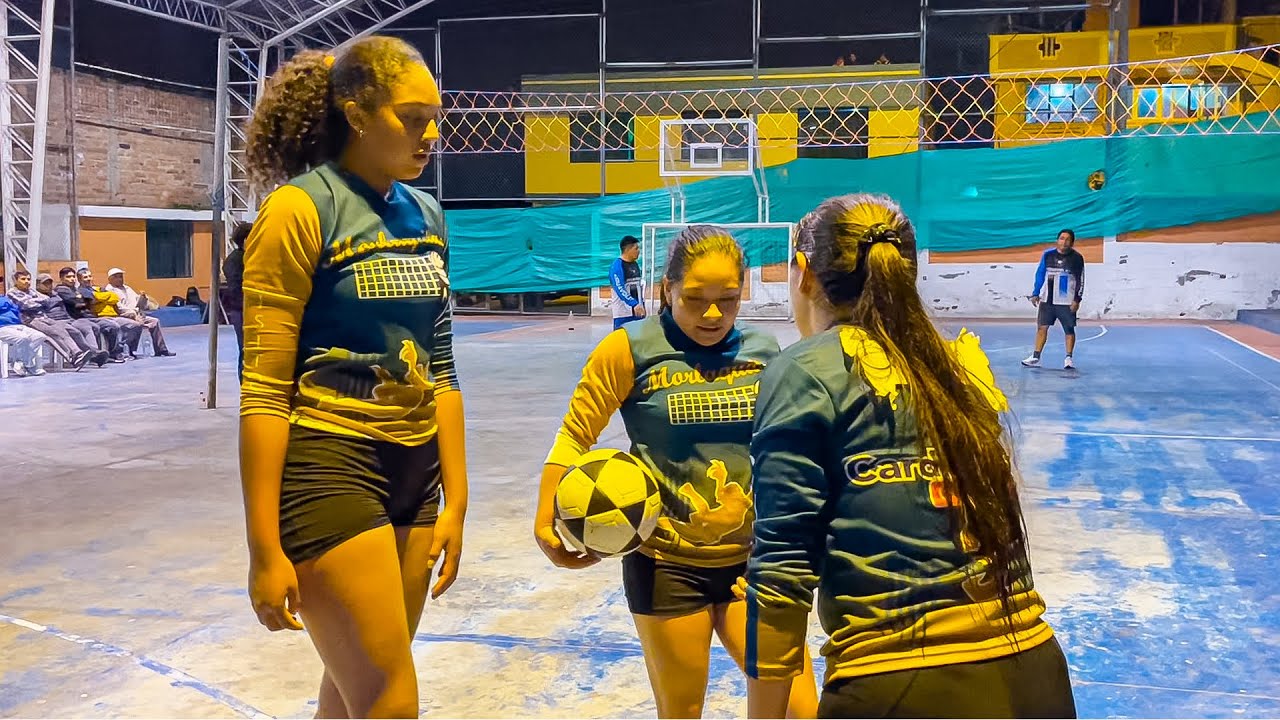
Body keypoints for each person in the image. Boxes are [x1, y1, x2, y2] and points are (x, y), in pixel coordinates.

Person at [742, 194, 1075, 719]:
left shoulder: (807, 370)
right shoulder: (956, 361)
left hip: (900, 682)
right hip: (1036, 671)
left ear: (802, 272)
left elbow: (782, 573)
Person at [238, 36, 468, 719]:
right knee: (390, 700)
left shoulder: (426, 214)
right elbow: (263, 391)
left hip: (415, 473)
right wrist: (263, 549)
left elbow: (443, 365)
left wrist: (456, 499)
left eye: (434, 117)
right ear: (357, 113)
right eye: (412, 117)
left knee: (350, 696)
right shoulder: (299, 210)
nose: (431, 134)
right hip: (329, 464)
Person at [535, 226, 818, 720]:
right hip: (667, 565)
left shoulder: (762, 349)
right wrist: (545, 518)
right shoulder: (628, 349)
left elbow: (787, 449)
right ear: (668, 289)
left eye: (727, 300)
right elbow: (574, 435)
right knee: (682, 710)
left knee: (803, 710)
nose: (713, 314)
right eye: (695, 299)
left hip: (753, 563)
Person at [6, 270, 101, 368]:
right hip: (30, 320)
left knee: (70, 330)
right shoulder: (12, 293)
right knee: (54, 332)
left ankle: (84, 353)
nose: (27, 281)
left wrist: (38, 301)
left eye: (28, 279)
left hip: (44, 317)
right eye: (23, 279)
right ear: (16, 281)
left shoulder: (31, 291)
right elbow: (27, 305)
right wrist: (40, 301)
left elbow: (47, 301)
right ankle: (74, 356)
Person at [1022, 229, 1085, 370]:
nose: (1064, 242)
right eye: (1062, 238)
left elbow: (1080, 280)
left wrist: (1077, 299)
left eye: (1068, 239)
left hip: (1066, 301)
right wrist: (1036, 292)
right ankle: (1035, 357)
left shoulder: (1077, 258)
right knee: (1042, 327)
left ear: (1072, 242)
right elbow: (1040, 274)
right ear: (1057, 240)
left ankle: (1068, 358)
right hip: (1047, 300)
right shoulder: (1048, 255)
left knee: (1069, 330)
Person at [102, 267, 176, 358]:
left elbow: (139, 304)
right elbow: (119, 308)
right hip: (122, 316)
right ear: (110, 279)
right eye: (117, 277)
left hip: (136, 314)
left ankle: (161, 350)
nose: (120, 279)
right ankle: (129, 350)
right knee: (136, 324)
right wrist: (134, 315)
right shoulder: (109, 290)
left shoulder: (127, 288)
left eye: (121, 276)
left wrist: (143, 298)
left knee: (155, 321)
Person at [221, 222, 249, 380]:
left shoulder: (247, 257)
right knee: (245, 349)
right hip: (242, 310)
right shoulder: (235, 260)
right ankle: (244, 383)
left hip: (248, 309)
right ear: (246, 239)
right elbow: (236, 288)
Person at [0, 292, 47, 377]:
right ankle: (24, 363)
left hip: (17, 324)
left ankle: (24, 363)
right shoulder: (6, 301)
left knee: (40, 336)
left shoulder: (5, 299)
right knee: (22, 338)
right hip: (2, 327)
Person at [610, 235, 645, 330]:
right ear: (628, 250)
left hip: (638, 312)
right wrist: (633, 304)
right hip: (623, 314)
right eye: (636, 248)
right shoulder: (617, 266)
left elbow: (638, 288)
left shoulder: (635, 264)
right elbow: (619, 288)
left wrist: (641, 305)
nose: (639, 251)